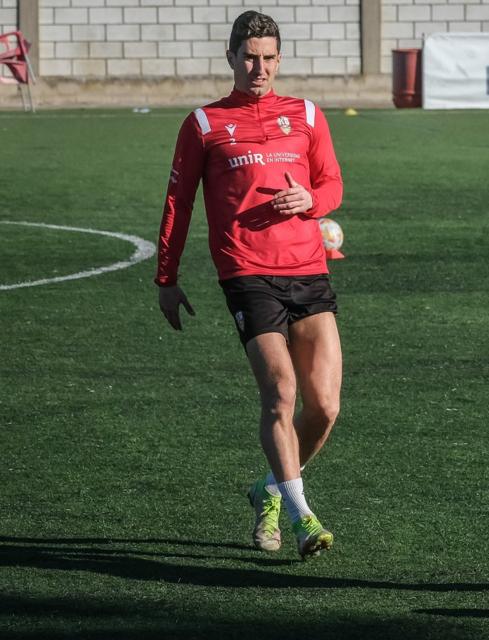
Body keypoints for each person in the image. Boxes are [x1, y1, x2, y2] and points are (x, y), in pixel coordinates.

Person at [155, 11, 344, 560]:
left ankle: (268, 486)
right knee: (281, 391)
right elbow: (178, 202)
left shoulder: (306, 115)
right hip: (247, 274)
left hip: (309, 270)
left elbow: (330, 183)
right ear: (231, 55)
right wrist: (166, 276)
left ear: (279, 60)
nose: (258, 66)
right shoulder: (204, 124)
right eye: (249, 56)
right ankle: (299, 513)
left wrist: (313, 201)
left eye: (267, 57)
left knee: (325, 407)